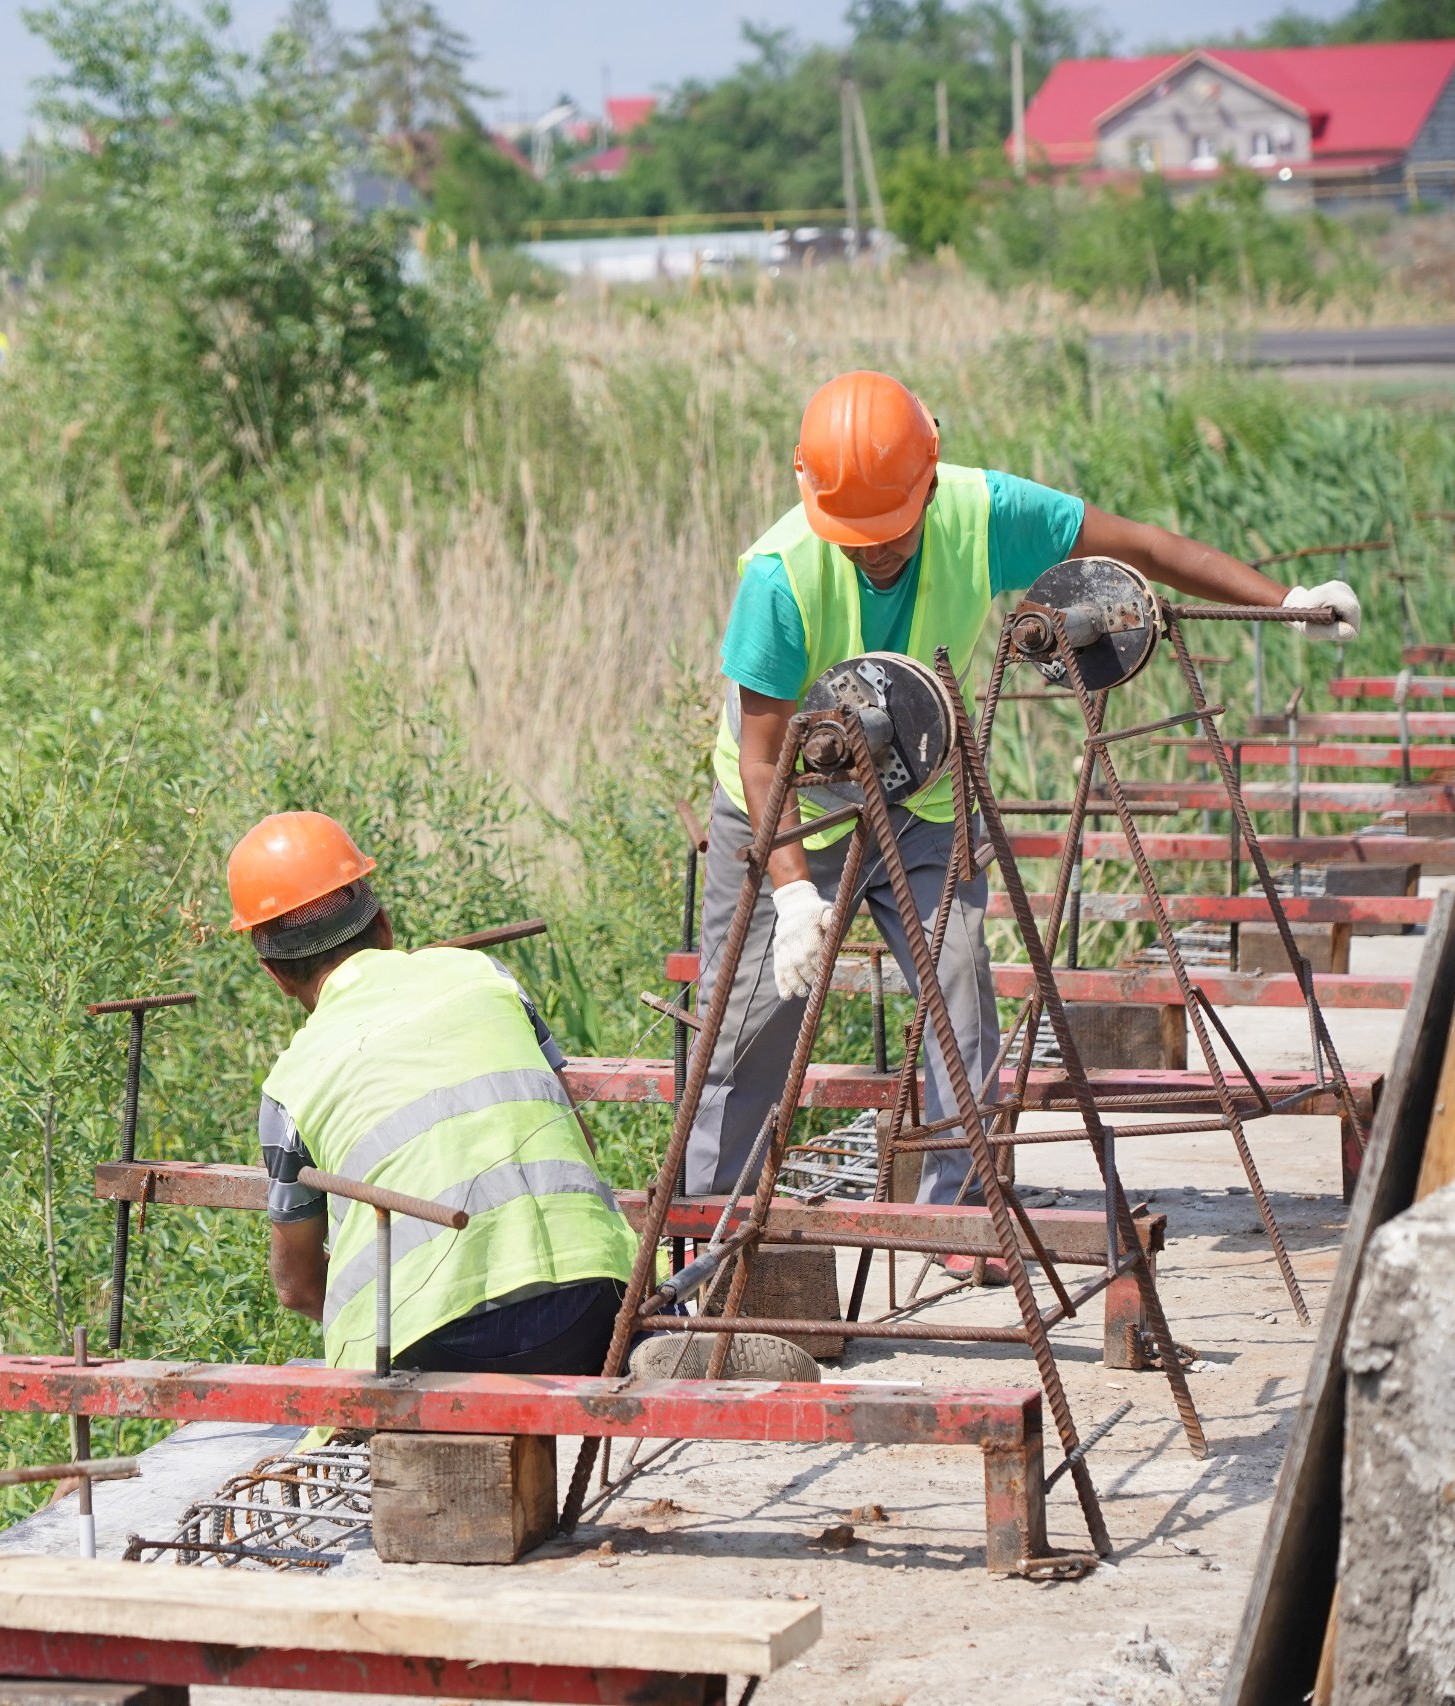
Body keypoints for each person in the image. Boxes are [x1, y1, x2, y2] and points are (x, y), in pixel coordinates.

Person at [691, 370, 1362, 1270]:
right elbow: (763, 758)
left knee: (960, 999)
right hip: (785, 815)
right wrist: (792, 896)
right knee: (746, 1032)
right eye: (856, 537)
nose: (876, 554)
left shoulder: (984, 513)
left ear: (929, 482)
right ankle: (710, 1242)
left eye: (892, 533)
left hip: (920, 803)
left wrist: (1280, 601)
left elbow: (1143, 548)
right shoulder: (781, 577)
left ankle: (958, 1219)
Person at [229, 810, 637, 1373]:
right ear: (385, 925)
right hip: (597, 1302)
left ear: (275, 975)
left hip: (428, 1349)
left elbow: (297, 1287)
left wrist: (387, 1322)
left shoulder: (290, 1085)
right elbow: (580, 1140)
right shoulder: (486, 976)